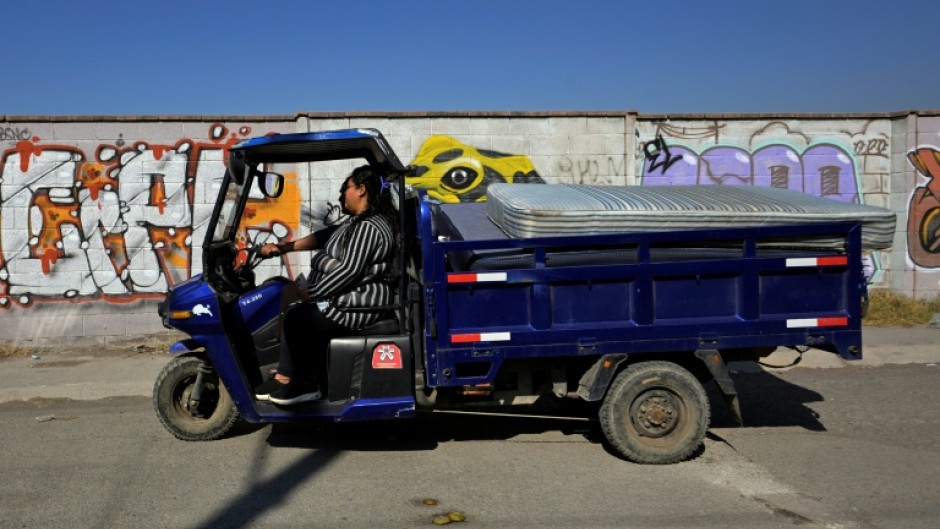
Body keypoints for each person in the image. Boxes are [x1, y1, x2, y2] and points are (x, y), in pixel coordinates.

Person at [254, 165, 396, 405]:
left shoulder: (370, 227)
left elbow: (349, 270)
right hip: (345, 298)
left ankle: (306, 384)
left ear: (361, 190)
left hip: (358, 304)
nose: (342, 195)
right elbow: (324, 237)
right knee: (293, 310)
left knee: (297, 318)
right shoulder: (355, 223)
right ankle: (285, 377)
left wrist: (313, 292)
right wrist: (284, 248)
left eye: (346, 188)